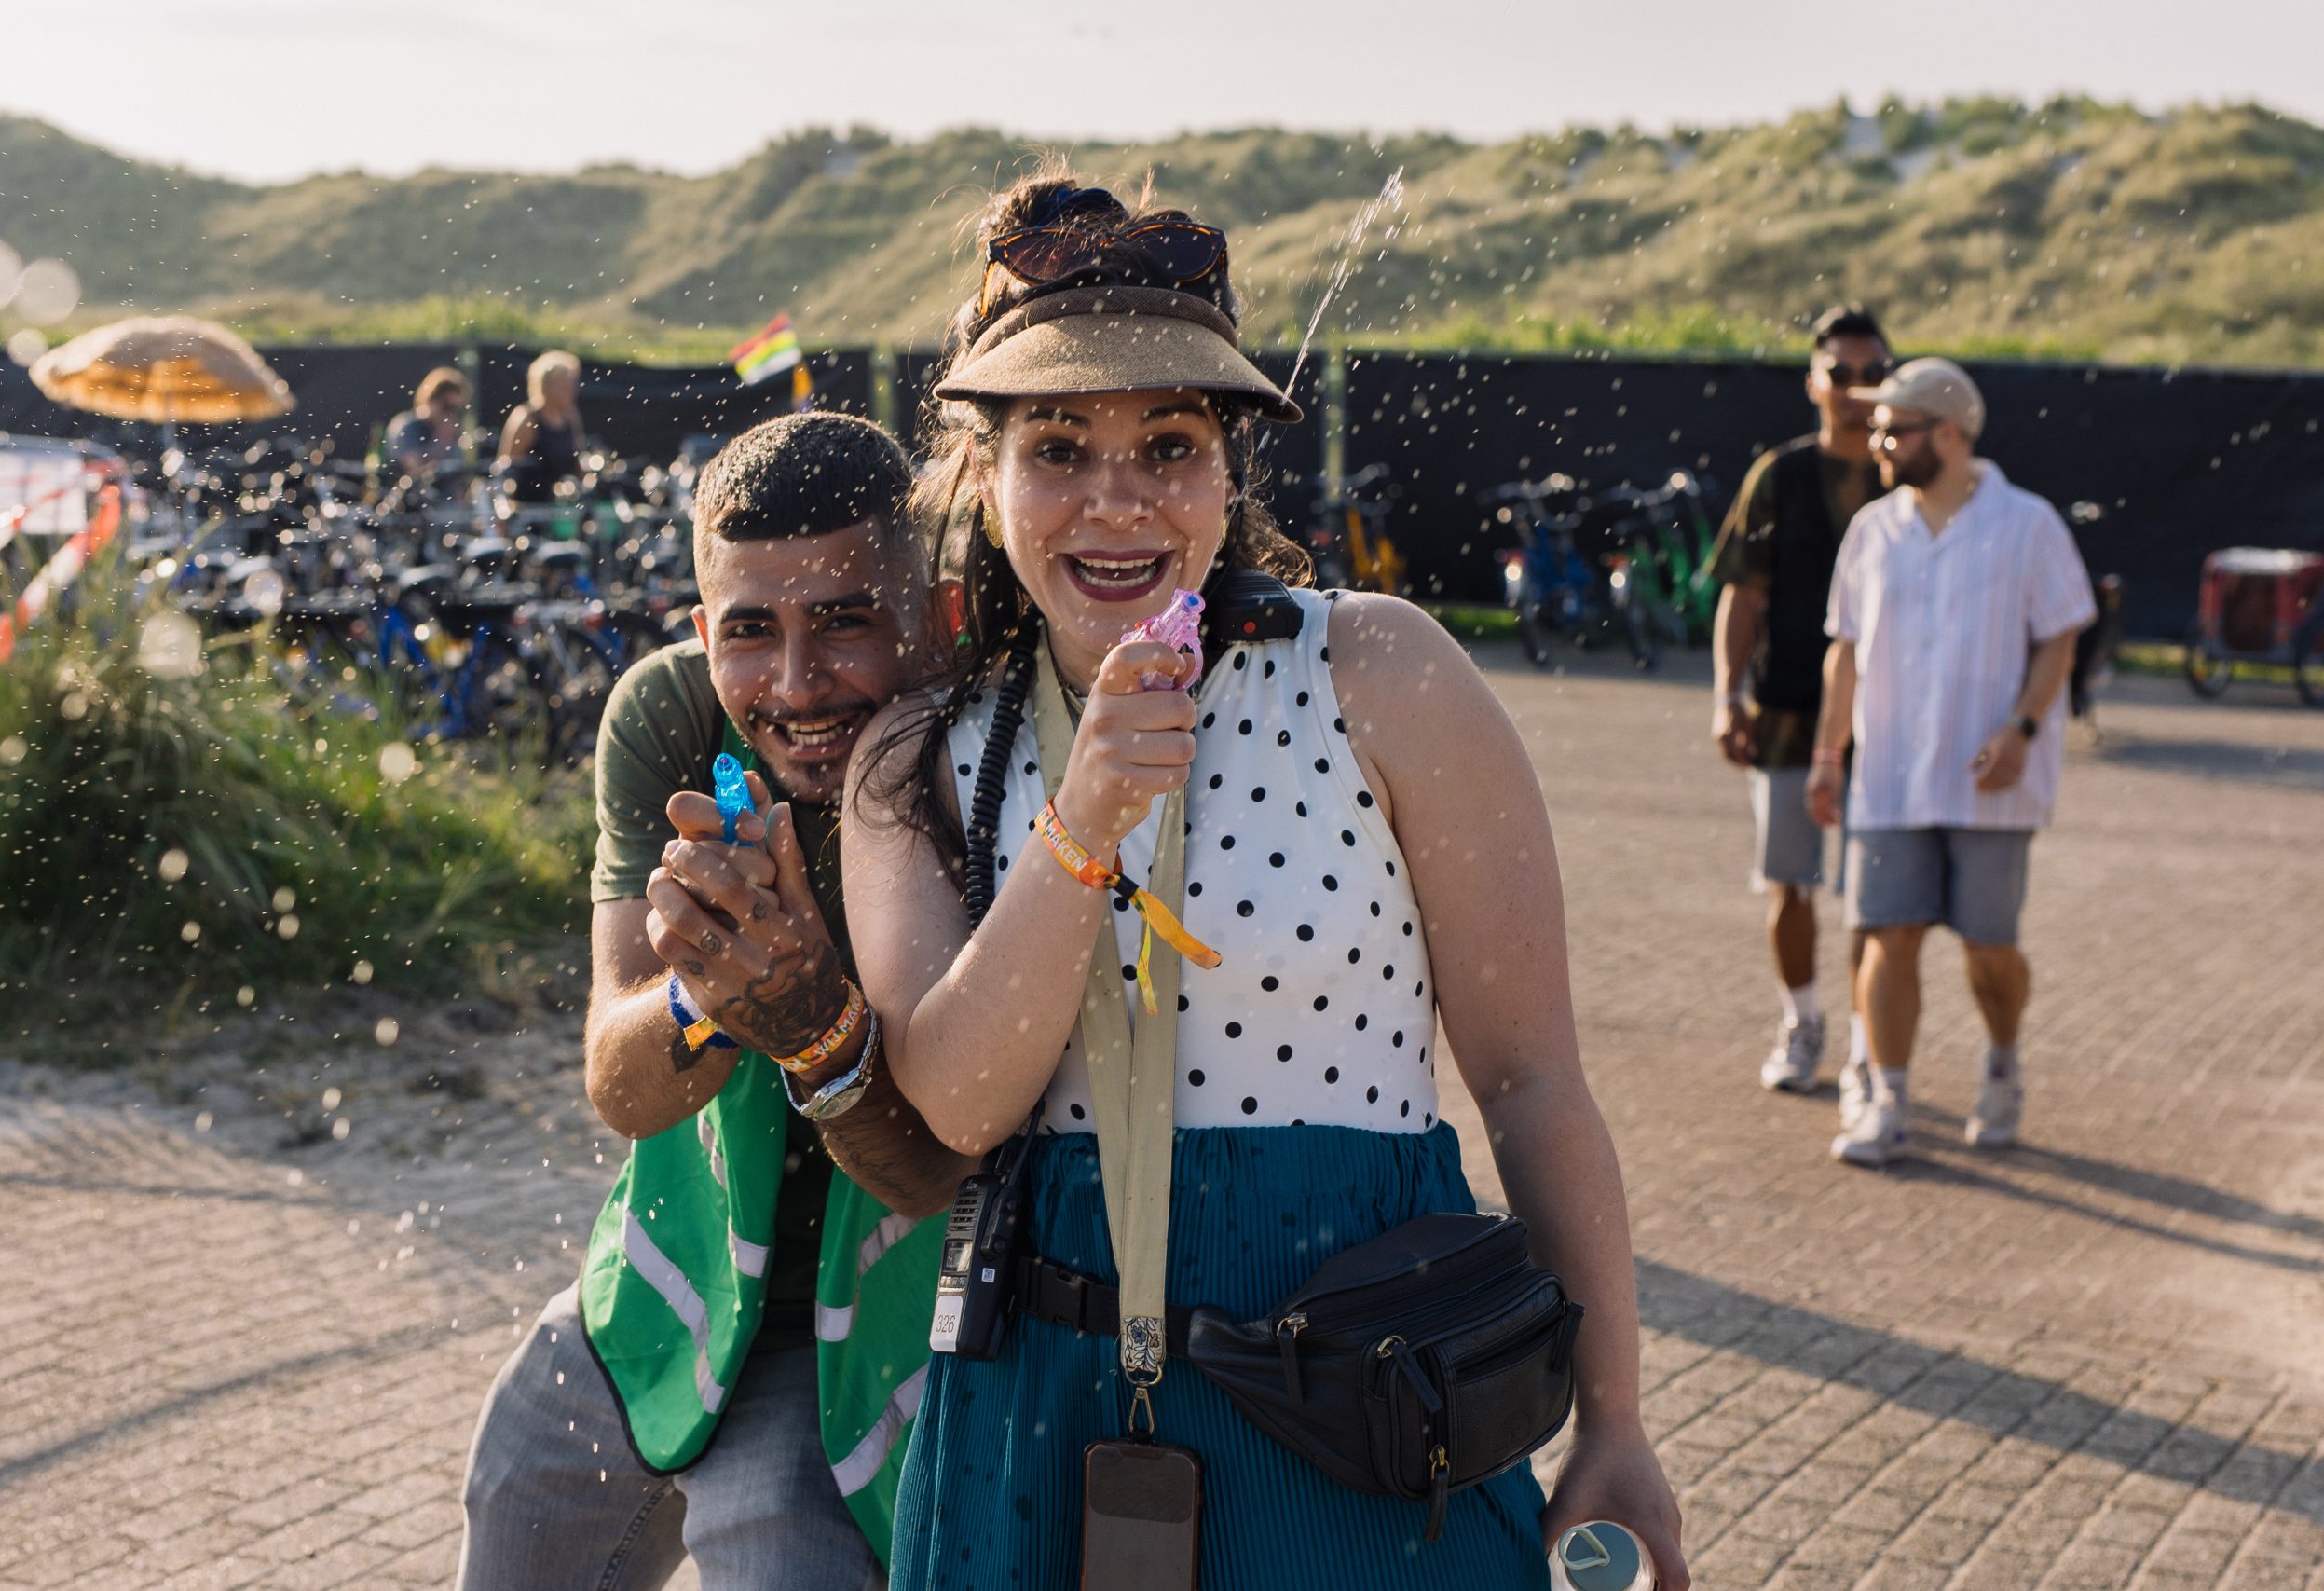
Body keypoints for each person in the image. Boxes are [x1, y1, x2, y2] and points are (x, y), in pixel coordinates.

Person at [842, 175, 1686, 1591]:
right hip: (1030, 1413)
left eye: (1168, 442)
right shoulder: (924, 751)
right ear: (985, 481)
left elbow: (1534, 1079)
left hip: (1361, 1398)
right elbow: (958, 1097)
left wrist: (1616, 1418)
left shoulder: (1384, 670)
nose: (1116, 500)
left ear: (1230, 472)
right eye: (1058, 445)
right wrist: (1089, 809)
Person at [456, 412, 977, 1591]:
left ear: (934, 620)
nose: (795, 684)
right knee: (515, 1498)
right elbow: (617, 1083)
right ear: (703, 633)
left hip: (869, 1320)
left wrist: (814, 1023)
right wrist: (709, 990)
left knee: (770, 1547)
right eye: (751, 632)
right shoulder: (673, 719)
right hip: (666, 1279)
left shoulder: (980, 753)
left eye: (845, 619)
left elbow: (932, 1168)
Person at [1807, 359, 2097, 1168]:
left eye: (1894, 428)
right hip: (1890, 777)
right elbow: (1845, 655)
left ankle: (2002, 1062)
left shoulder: (2029, 523)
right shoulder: (1872, 529)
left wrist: (2023, 729)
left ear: (1952, 432)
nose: (1879, 442)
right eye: (1877, 428)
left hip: (1991, 783)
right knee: (1887, 937)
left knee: (1987, 949)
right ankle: (1887, 1099)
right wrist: (1830, 756)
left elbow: (2060, 638)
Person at [1708, 306, 1892, 1114]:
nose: (1857, 389)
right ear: (1814, 380)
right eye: (1842, 373)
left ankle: (1868, 1046)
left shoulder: (1907, 472)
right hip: (1786, 710)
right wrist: (1727, 696)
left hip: (1888, 723)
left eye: (1872, 372)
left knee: (1879, 895)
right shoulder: (1777, 477)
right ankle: (1803, 1022)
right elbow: (1741, 598)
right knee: (1789, 880)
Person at [495, 348, 590, 502]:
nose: (574, 390)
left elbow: (578, 461)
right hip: (527, 509)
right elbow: (506, 469)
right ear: (548, 386)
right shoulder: (527, 418)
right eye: (567, 385)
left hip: (561, 509)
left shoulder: (571, 417)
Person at [385, 365, 469, 485]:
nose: (450, 414)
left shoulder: (450, 432)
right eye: (447, 407)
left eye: (456, 408)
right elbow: (415, 471)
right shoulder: (408, 426)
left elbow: (457, 479)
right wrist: (442, 441)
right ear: (431, 401)